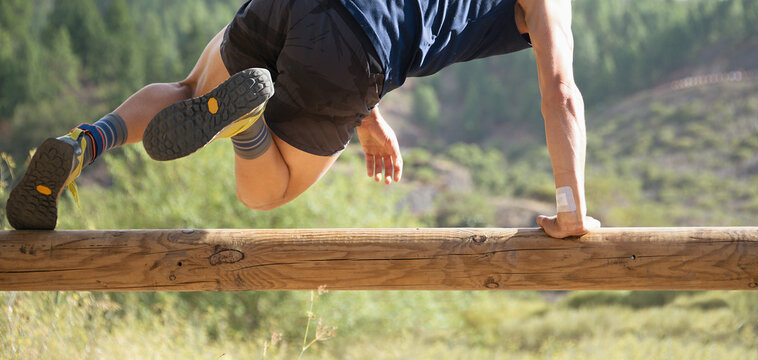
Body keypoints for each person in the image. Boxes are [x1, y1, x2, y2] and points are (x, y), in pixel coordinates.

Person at [6, 0, 601, 238]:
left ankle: (84, 141)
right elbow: (561, 91)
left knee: (189, 86)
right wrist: (572, 208)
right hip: (360, 49)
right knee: (270, 190)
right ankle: (245, 127)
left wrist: (369, 117)